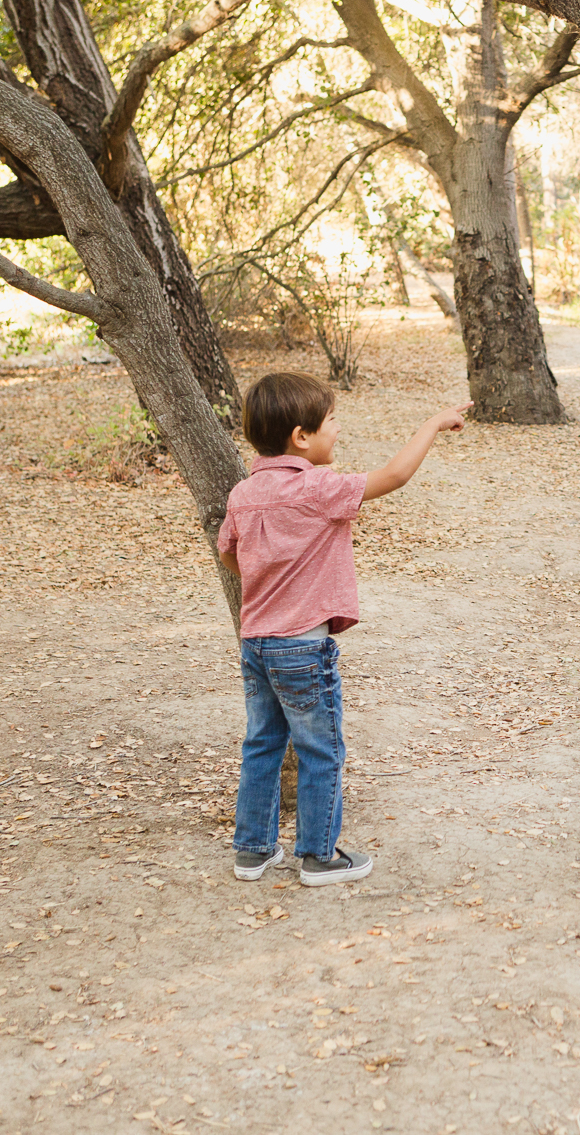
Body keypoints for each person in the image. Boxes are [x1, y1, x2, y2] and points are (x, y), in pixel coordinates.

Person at [216, 372, 471, 885]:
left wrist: (272, 574)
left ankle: (253, 851)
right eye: (331, 420)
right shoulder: (317, 488)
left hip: (256, 646)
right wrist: (433, 424)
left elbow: (230, 556)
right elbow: (394, 477)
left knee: (262, 744)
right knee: (320, 749)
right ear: (300, 436)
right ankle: (318, 856)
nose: (338, 429)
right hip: (303, 647)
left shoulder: (243, 493)